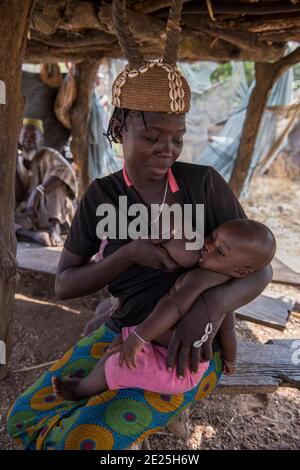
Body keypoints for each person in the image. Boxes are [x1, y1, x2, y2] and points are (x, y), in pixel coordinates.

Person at [7, 0, 272, 450]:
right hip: (124, 333)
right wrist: (127, 253)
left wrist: (209, 310)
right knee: (21, 420)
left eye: (177, 138)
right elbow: (64, 286)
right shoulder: (101, 197)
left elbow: (259, 267)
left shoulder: (203, 185)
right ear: (118, 128)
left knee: (82, 439)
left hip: (187, 353)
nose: (167, 149)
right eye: (151, 137)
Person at [51, 219, 276, 400]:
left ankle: (82, 390)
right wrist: (231, 360)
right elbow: (228, 329)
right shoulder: (228, 287)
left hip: (174, 366)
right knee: (122, 342)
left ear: (242, 271)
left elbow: (174, 305)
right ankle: (100, 378)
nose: (207, 245)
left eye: (220, 251)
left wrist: (138, 336)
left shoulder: (199, 278)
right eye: (212, 237)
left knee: (116, 363)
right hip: (185, 360)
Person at [15, 118, 78, 246]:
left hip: (52, 210)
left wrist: (38, 191)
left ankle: (54, 230)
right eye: (25, 135)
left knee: (57, 181)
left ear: (42, 139)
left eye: (33, 136)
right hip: (29, 213)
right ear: (19, 139)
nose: (28, 139)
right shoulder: (17, 160)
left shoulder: (49, 154)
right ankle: (34, 236)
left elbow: (66, 171)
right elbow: (18, 195)